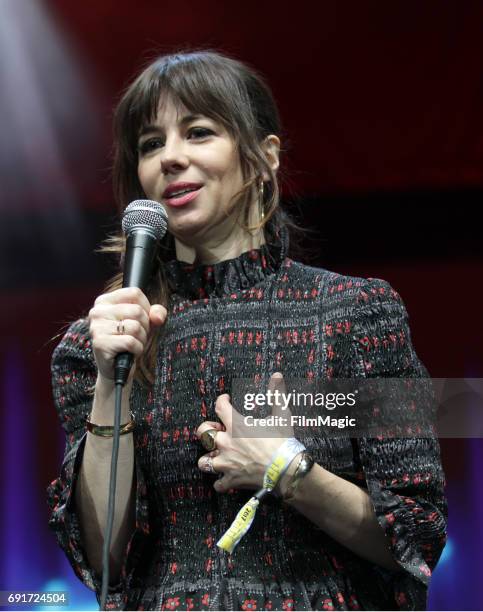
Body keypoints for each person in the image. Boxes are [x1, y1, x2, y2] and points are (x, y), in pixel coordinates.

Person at [47, 49, 447, 611]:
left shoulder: (358, 314)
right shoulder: (97, 346)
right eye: (151, 144)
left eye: (199, 132)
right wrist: (110, 384)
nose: (171, 158)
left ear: (264, 156)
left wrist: (289, 471)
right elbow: (104, 563)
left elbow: (417, 533)